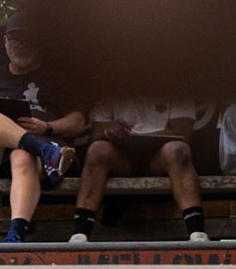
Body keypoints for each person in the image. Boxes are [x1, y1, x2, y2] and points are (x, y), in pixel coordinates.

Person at [0, 13, 85, 243]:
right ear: (5, 42)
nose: (20, 44)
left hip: (39, 152)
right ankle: (41, 148)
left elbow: (79, 122)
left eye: (27, 38)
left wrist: (47, 127)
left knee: (22, 155)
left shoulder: (57, 78)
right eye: (14, 38)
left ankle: (15, 235)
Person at [71, 98, 208, 245]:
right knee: (96, 150)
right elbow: (95, 134)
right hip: (121, 158)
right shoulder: (110, 88)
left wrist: (139, 139)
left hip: (160, 157)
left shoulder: (176, 87)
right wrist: (108, 131)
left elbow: (183, 131)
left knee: (179, 150)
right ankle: (80, 233)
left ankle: (197, 232)